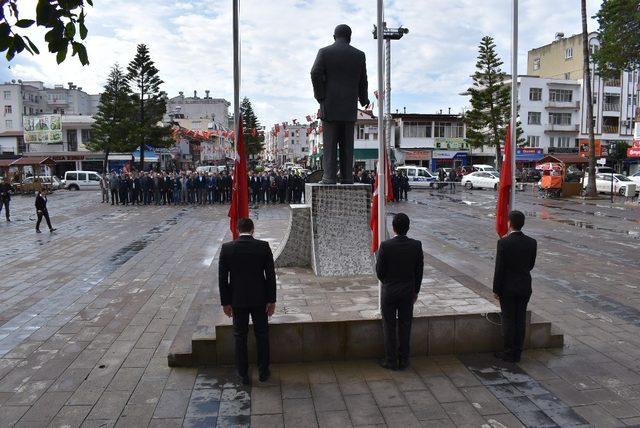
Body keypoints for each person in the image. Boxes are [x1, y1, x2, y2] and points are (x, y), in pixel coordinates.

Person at [218, 218, 277, 385]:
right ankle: (263, 372)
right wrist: (271, 300)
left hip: (237, 300)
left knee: (240, 337)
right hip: (260, 299)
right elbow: (270, 276)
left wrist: (225, 302)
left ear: (237, 230)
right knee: (262, 335)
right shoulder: (263, 247)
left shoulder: (227, 249)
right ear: (253, 230)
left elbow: (223, 278)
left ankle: (243, 373)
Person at [311, 24, 370, 184]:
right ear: (350, 37)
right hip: (349, 107)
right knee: (347, 146)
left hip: (329, 106)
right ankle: (347, 177)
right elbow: (363, 80)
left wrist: (320, 95)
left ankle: (329, 177)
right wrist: (363, 99)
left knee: (330, 145)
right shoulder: (359, 55)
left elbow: (315, 72)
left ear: (334, 36)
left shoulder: (324, 52)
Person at [375, 213, 424, 370]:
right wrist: (415, 291)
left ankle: (391, 361)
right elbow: (419, 271)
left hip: (389, 291)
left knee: (389, 326)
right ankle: (404, 359)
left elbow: (380, 272)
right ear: (408, 228)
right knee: (405, 325)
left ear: (393, 227)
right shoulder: (416, 245)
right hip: (407, 292)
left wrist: (388, 283)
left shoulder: (385, 246)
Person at [493, 210, 537, 363]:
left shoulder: (503, 242)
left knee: (508, 319)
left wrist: (496, 289)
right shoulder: (532, 242)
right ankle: (518, 352)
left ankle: (508, 351)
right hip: (524, 286)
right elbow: (530, 264)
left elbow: (499, 268)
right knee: (520, 319)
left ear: (510, 223)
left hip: (507, 288)